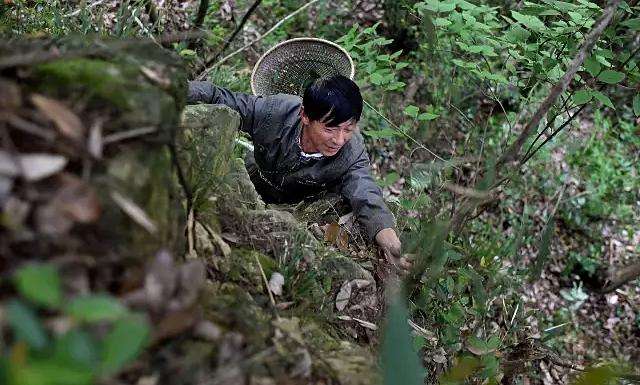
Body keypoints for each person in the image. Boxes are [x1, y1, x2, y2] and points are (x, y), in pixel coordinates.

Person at [187, 75, 404, 266]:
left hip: (296, 206)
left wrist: (384, 232)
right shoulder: (275, 113)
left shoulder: (351, 152)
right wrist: (178, 87)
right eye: (330, 129)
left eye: (348, 129)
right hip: (253, 179)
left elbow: (365, 191)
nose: (339, 140)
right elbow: (221, 97)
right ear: (305, 116)